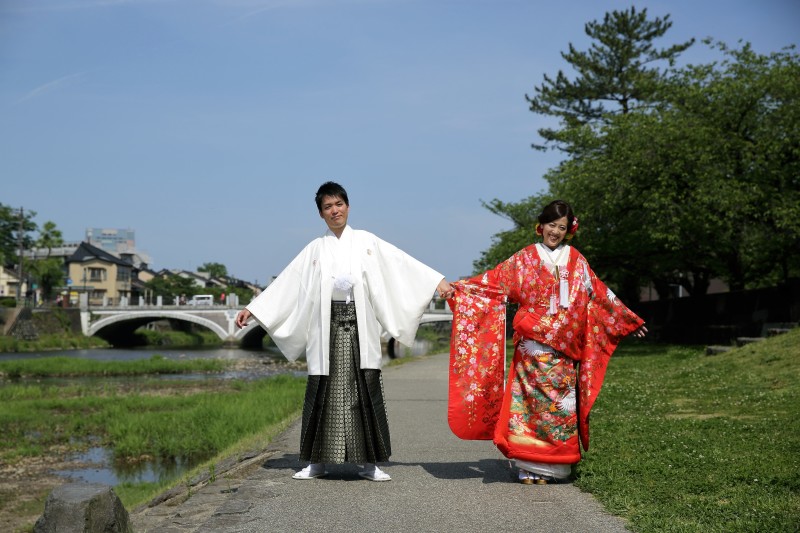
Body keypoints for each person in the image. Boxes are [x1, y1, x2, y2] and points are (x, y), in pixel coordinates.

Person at [236, 181, 452, 482]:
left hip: (360, 324)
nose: (335, 210)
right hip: (326, 327)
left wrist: (435, 282)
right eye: (328, 207)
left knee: (364, 389)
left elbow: (400, 263)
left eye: (339, 204)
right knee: (323, 390)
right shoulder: (315, 249)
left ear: (348, 206)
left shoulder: (367, 242)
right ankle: (317, 462)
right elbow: (288, 284)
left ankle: (368, 463)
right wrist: (256, 308)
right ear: (321, 214)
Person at [446, 200, 646, 485]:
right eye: (551, 225)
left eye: (562, 227)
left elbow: (599, 293)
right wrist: (461, 288)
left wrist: (628, 320)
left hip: (564, 350)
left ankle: (555, 465)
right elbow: (493, 283)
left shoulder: (576, 260)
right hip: (532, 348)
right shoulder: (525, 258)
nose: (555, 232)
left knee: (558, 407)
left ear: (569, 231)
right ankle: (528, 465)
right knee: (528, 407)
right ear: (541, 226)